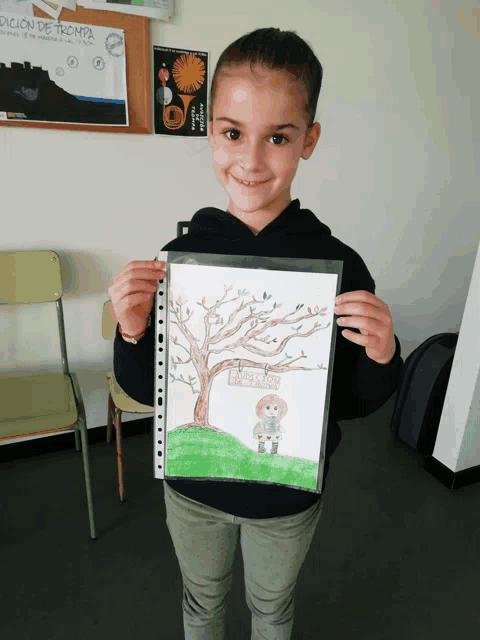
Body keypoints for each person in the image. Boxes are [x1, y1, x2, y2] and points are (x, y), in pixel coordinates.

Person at [109, 27, 404, 640]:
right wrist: (134, 331)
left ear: (309, 142)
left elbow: (349, 401)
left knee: (272, 608)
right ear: (209, 131)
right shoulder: (180, 259)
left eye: (278, 137)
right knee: (200, 604)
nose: (249, 160)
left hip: (286, 498)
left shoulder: (339, 266)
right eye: (232, 133)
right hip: (193, 490)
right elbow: (147, 391)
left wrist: (382, 355)